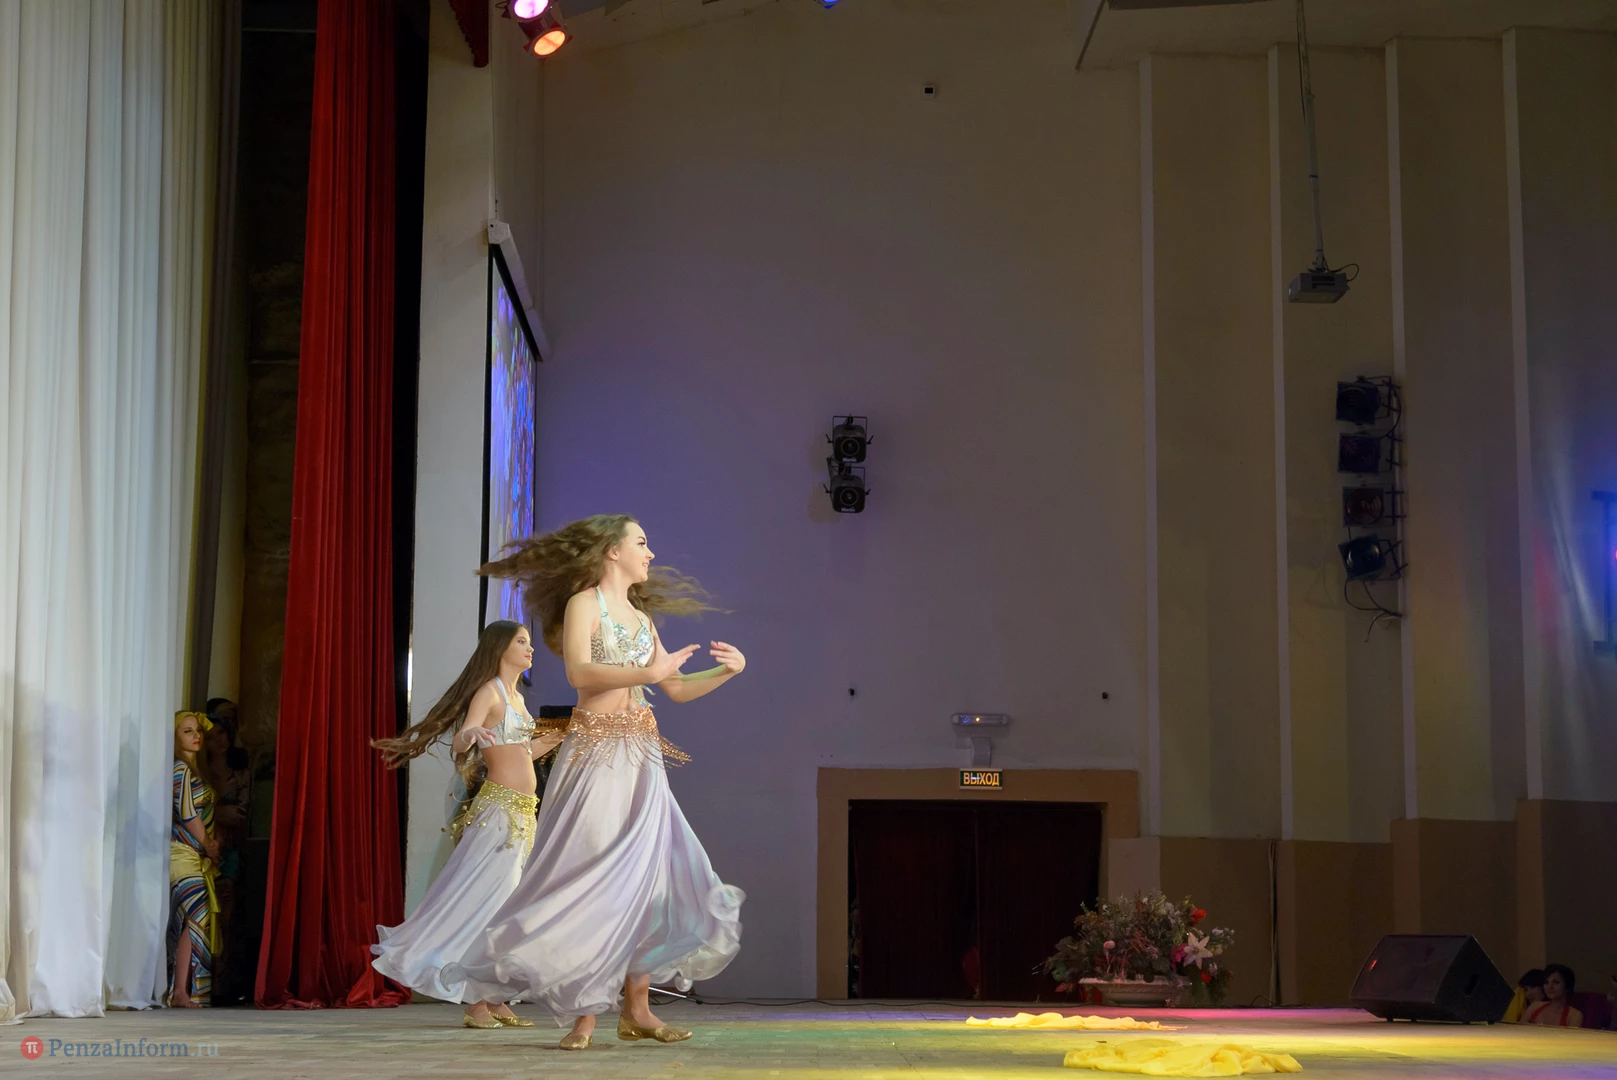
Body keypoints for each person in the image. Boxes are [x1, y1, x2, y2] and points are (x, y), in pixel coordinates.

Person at [445, 514, 746, 1050]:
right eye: (641, 543)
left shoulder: (642, 618)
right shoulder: (585, 604)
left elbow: (675, 687)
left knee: (647, 878)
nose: (650, 553)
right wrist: (648, 674)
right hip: (593, 754)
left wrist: (728, 672)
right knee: (590, 871)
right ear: (611, 550)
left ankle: (637, 1010)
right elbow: (580, 673)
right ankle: (584, 1014)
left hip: (640, 757)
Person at [370, 620, 563, 1029]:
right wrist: (472, 732)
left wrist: (549, 742)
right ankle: (476, 1002)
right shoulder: (490, 691)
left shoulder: (518, 698)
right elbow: (461, 742)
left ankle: (493, 997)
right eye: (522, 641)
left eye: (529, 642)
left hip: (523, 812)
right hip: (499, 813)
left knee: (508, 906)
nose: (530, 649)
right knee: (487, 902)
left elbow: (520, 751)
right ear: (500, 648)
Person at [168, 711, 222, 1007]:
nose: (196, 735)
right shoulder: (180, 769)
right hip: (183, 854)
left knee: (191, 921)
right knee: (194, 919)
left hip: (192, 854)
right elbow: (187, 813)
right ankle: (181, 991)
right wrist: (208, 844)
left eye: (197, 730)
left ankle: (182, 990)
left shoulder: (191, 770)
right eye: (187, 731)